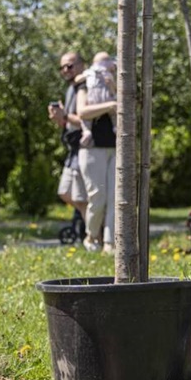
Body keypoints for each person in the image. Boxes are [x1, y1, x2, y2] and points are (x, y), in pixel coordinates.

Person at [76, 50, 117, 253]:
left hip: (116, 147)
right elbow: (82, 111)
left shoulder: (115, 82)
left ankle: (110, 243)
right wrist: (110, 105)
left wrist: (114, 88)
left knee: (115, 198)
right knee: (97, 197)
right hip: (92, 149)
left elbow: (127, 104)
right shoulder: (85, 83)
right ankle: (92, 237)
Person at [49, 51, 87, 221]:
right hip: (72, 150)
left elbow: (86, 120)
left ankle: (95, 234)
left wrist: (64, 115)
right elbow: (70, 121)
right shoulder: (71, 89)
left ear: (82, 65)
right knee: (65, 192)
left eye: (70, 65)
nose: (65, 69)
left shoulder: (84, 87)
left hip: (84, 147)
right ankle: (93, 227)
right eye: (62, 67)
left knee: (81, 196)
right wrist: (61, 120)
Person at [75, 52, 117, 148]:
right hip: (94, 146)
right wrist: (110, 105)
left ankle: (116, 128)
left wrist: (112, 85)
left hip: (112, 145)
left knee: (114, 115)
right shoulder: (87, 79)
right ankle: (86, 132)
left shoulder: (109, 76)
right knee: (86, 120)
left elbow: (116, 91)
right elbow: (82, 112)